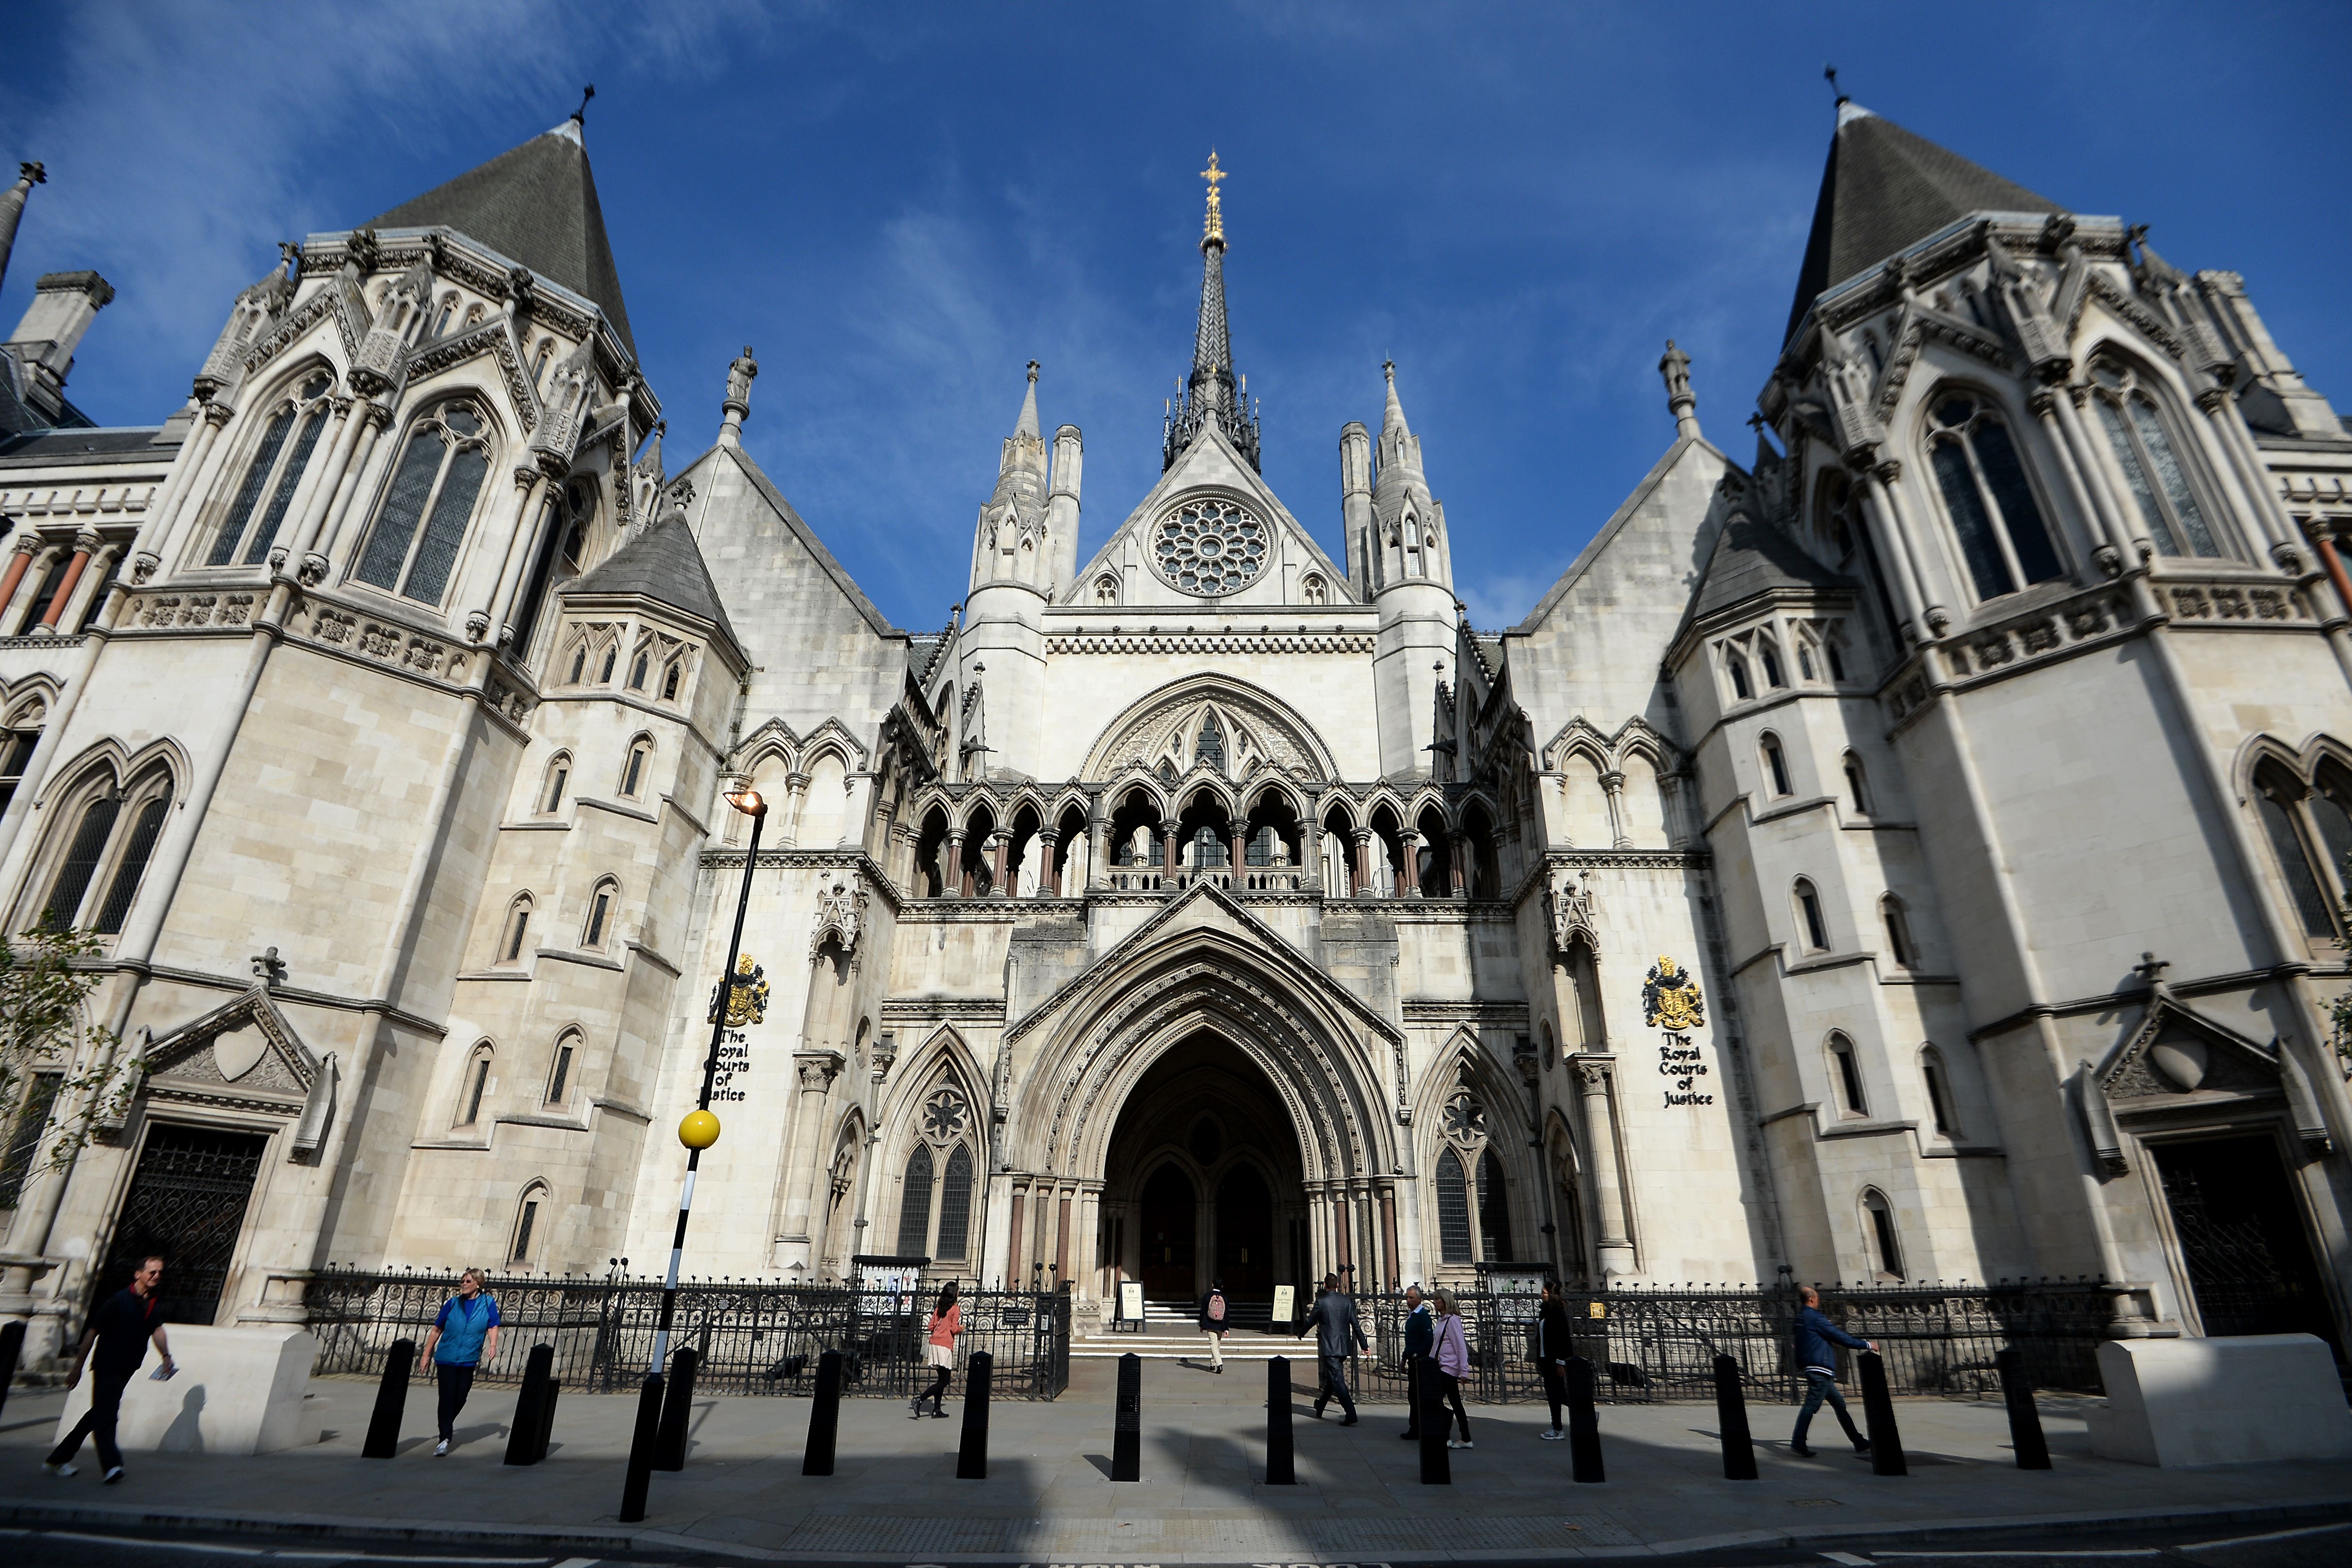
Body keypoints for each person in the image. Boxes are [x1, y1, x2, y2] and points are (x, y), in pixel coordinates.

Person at [45, 1254, 174, 1483]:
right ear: (138, 1274)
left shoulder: (153, 1302)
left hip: (128, 1367)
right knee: (107, 1415)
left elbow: (157, 1329)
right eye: (152, 1272)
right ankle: (112, 1465)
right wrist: (77, 1368)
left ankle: (58, 1458)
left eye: (160, 1272)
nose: (157, 1276)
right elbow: (92, 1333)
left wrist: (165, 1355)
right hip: (107, 1365)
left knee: (98, 1413)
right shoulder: (118, 1300)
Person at [420, 1267, 501, 1456]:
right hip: (446, 1357)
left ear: (478, 1284)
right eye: (463, 1281)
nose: (463, 1284)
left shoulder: (487, 1302)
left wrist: (493, 1344)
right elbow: (436, 1330)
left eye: (468, 1281)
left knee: (461, 1396)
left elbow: (493, 1325)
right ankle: (445, 1438)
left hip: (468, 1357)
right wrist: (426, 1354)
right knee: (447, 1397)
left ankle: (445, 1421)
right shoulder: (452, 1303)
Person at [1789, 1285, 1875, 1457]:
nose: (1818, 1302)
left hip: (1815, 1368)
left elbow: (1797, 1343)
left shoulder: (1799, 1318)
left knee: (1840, 1405)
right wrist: (1867, 1344)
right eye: (1817, 1299)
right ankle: (1798, 1442)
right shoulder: (1814, 1318)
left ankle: (1859, 1442)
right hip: (1820, 1368)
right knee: (1811, 1406)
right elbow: (1838, 1336)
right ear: (1812, 1300)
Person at [1297, 1273, 1366, 1423]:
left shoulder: (1321, 1302)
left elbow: (1311, 1321)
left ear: (1324, 1285)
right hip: (1343, 1347)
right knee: (1332, 1379)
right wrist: (1364, 1345)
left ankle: (1351, 1413)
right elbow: (1356, 1325)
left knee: (1338, 1380)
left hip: (1330, 1347)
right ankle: (1320, 1404)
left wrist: (1301, 1332)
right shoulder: (1346, 1302)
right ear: (1338, 1285)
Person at [1429, 1288, 1473, 1449]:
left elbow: (1460, 1347)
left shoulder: (1453, 1321)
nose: (1434, 1302)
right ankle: (1466, 1438)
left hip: (1449, 1368)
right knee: (1455, 1403)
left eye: (1437, 1299)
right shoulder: (1442, 1320)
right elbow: (1437, 1344)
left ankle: (1446, 1434)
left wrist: (1464, 1371)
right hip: (1441, 1367)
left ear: (1445, 1301)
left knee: (1434, 1400)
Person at [913, 1281, 961, 1418]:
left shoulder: (940, 1307)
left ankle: (937, 1409)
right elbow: (954, 1328)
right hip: (945, 1346)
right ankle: (920, 1399)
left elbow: (931, 1326)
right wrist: (962, 1328)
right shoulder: (955, 1309)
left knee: (941, 1378)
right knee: (945, 1381)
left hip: (935, 1344)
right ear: (954, 1294)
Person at [1534, 1280, 1573, 1441]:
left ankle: (1557, 1428)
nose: (1541, 1295)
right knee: (1556, 1394)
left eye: (1543, 1292)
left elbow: (1564, 1340)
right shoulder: (1545, 1312)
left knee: (1557, 1395)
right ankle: (1558, 1425)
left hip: (1555, 1361)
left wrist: (1560, 1362)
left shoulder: (1558, 1313)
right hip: (1545, 1359)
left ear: (1551, 1295)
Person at [1398, 1285, 1433, 1440]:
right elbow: (1410, 1341)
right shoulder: (1412, 1315)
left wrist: (1417, 1355)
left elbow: (1428, 1340)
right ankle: (1417, 1425)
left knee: (1416, 1395)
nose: (1408, 1300)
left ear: (1420, 1299)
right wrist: (1404, 1358)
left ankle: (1417, 1427)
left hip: (1419, 1361)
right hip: (1412, 1359)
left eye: (1411, 1298)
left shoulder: (1423, 1316)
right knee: (1413, 1395)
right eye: (1407, 1297)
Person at [1197, 1278, 1229, 1373]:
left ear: (1212, 1285)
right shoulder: (1225, 1298)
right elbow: (1227, 1314)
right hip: (1220, 1325)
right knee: (1217, 1345)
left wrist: (1201, 1324)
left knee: (1214, 1345)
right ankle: (1213, 1364)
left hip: (1210, 1323)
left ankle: (1219, 1364)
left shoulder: (1207, 1296)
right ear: (1222, 1286)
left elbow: (1203, 1311)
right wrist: (1226, 1328)